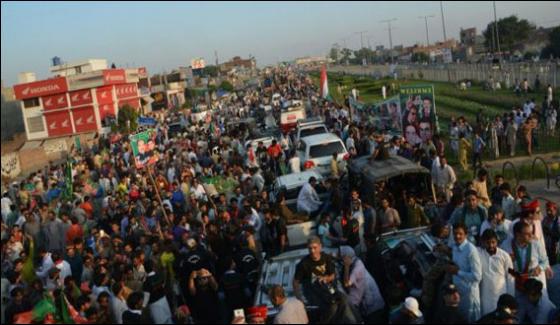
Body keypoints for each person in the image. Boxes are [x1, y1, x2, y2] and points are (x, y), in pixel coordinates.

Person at [293, 236, 356, 324]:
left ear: (320, 247)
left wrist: (325, 278)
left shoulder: (326, 258)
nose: (312, 251)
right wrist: (299, 299)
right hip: (314, 294)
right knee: (333, 306)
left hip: (328, 289)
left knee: (344, 299)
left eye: (314, 248)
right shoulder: (303, 264)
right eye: (310, 248)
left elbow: (333, 275)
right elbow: (295, 282)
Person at [501, 221, 550, 297]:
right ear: (518, 235)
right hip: (515, 284)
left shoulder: (536, 244)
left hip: (534, 282)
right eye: (527, 234)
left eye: (531, 232)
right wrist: (509, 263)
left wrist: (539, 268)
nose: (531, 235)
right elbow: (502, 266)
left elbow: (545, 261)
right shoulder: (505, 245)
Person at [446, 222, 482, 323]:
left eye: (460, 234)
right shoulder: (454, 247)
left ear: (466, 235)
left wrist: (458, 272)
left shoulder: (471, 250)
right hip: (458, 295)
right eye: (455, 234)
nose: (457, 236)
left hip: (470, 297)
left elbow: (477, 276)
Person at [340, 246, 385, 323]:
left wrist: (346, 266)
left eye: (342, 258)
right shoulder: (356, 262)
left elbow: (347, 283)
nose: (342, 260)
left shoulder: (357, 267)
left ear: (346, 257)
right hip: (369, 307)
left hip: (374, 308)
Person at [478, 229, 515, 316]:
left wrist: (510, 298)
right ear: (483, 242)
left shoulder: (505, 256)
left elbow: (511, 278)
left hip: (501, 295)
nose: (491, 245)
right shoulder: (478, 253)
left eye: (493, 242)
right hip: (485, 296)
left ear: (497, 241)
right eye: (488, 243)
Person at [542, 201, 559, 265]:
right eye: (547, 210)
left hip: (555, 249)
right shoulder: (545, 219)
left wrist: (549, 232)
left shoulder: (558, 221)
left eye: (550, 210)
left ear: (555, 210)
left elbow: (558, 236)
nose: (548, 212)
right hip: (546, 248)